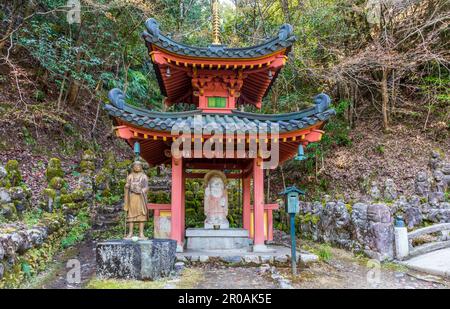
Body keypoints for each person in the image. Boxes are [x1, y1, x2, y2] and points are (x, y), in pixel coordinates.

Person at [124, 160, 148, 239]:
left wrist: (141, 191)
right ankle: (130, 233)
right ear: (133, 167)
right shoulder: (130, 176)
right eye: (135, 166)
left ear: (141, 167)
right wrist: (127, 186)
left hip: (141, 198)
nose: (137, 167)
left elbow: (146, 187)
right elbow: (127, 185)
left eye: (139, 166)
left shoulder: (144, 176)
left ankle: (141, 233)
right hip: (132, 197)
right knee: (131, 215)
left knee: (141, 215)